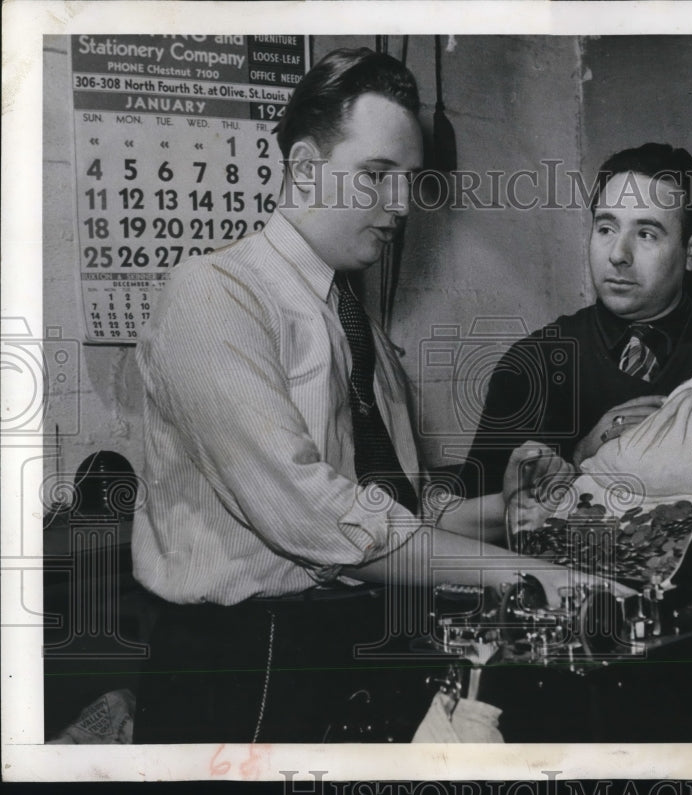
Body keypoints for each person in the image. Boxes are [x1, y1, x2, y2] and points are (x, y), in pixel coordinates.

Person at [131, 47, 602, 744]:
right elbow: (314, 514)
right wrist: (527, 574)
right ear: (303, 167)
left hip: (338, 650)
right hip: (236, 671)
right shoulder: (212, 297)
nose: (402, 207)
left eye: (410, 182)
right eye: (378, 176)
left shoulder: (361, 331)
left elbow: (398, 507)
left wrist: (505, 511)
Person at [461, 143, 692, 497]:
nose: (618, 255)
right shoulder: (531, 365)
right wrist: (581, 459)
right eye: (606, 228)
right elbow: (470, 524)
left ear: (691, 252)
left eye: (646, 234)